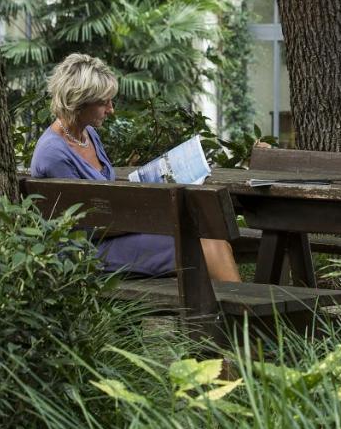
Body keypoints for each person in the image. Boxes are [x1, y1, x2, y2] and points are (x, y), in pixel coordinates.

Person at [29, 53, 240, 281]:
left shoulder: (87, 133)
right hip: (87, 253)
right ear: (78, 103)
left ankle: (232, 314)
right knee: (206, 246)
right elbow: (81, 228)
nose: (111, 109)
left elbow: (103, 200)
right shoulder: (54, 153)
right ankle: (243, 315)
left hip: (115, 233)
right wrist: (146, 215)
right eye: (103, 102)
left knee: (213, 240)